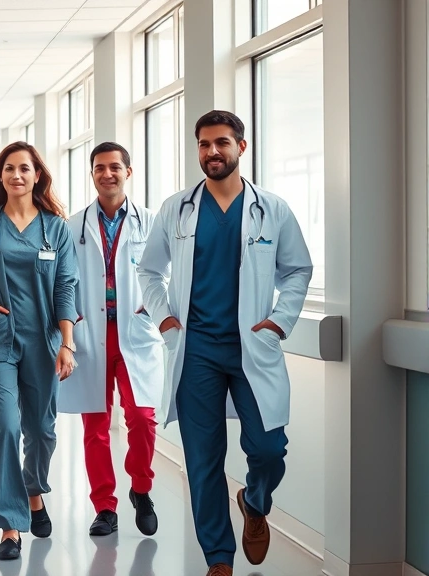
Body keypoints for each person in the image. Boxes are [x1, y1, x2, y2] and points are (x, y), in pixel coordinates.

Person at [137, 110, 313, 576]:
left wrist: (279, 322)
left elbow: (298, 270)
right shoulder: (177, 208)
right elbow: (148, 271)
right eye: (203, 144)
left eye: (221, 143)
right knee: (203, 460)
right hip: (195, 351)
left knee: (269, 448)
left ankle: (254, 503)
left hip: (251, 347)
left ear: (241, 147)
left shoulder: (271, 209)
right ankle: (219, 558)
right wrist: (166, 319)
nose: (212, 152)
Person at [0, 141, 78, 560]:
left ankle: (33, 490)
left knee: (41, 430)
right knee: (4, 425)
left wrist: (68, 344)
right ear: (0, 176)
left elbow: (65, 287)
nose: (17, 175)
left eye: (25, 168)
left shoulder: (56, 229)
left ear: (37, 175)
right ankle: (10, 525)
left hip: (43, 341)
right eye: (9, 169)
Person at [61, 142, 164, 538]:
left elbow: (167, 272)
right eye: (100, 168)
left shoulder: (150, 222)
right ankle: (104, 505)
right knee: (96, 423)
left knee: (141, 417)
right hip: (90, 331)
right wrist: (70, 324)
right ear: (92, 175)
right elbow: (63, 281)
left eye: (115, 167)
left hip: (135, 331)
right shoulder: (72, 226)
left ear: (128, 172)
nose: (108, 174)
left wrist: (155, 308)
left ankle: (141, 487)